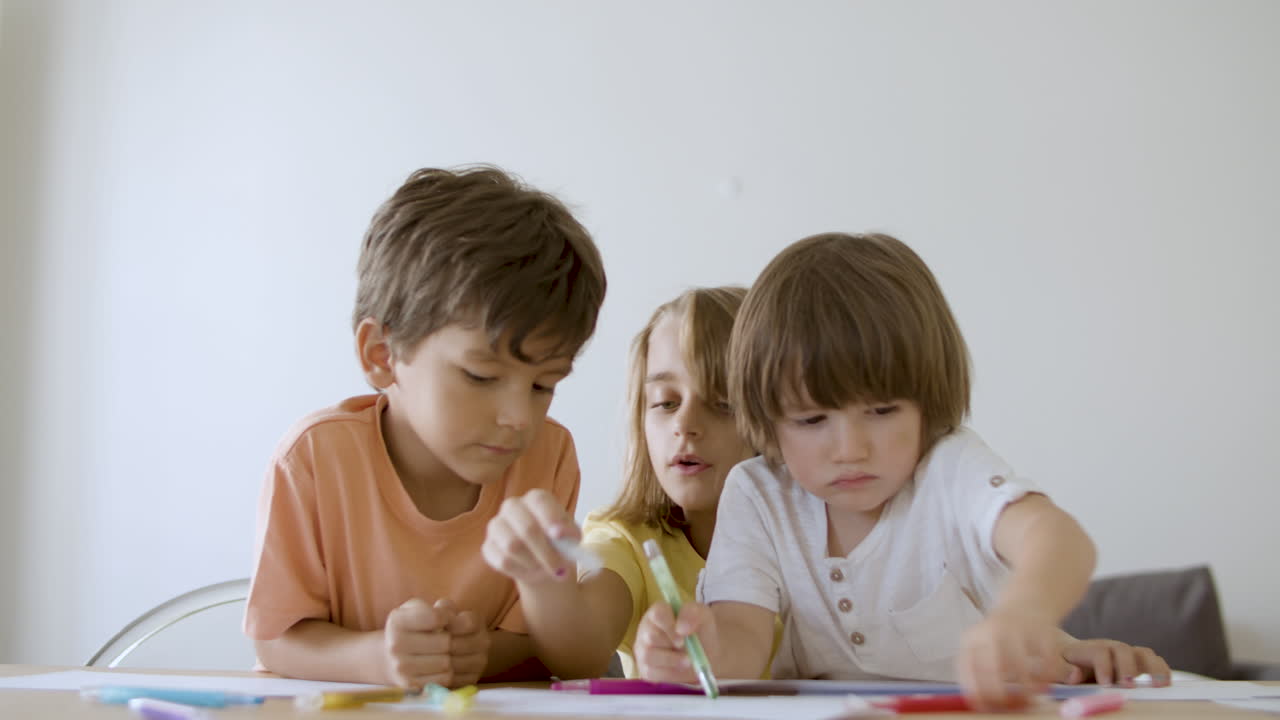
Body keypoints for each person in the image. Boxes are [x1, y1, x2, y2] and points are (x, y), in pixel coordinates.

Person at [633, 232, 1171, 710]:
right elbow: (743, 642)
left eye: (883, 411)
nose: (850, 449)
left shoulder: (947, 468)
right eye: (812, 418)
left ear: (926, 404)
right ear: (767, 420)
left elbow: (1059, 540)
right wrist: (698, 650)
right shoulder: (756, 494)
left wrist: (1025, 617)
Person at [243, 165, 607, 688]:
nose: (519, 418)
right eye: (481, 375)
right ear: (381, 355)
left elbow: (551, 653)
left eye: (543, 385)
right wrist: (378, 659)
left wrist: (476, 655)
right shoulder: (315, 460)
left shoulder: (548, 457)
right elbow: (274, 639)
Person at [481, 286, 757, 679]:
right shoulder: (626, 539)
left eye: (724, 403)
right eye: (665, 402)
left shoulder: (810, 538)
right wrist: (544, 581)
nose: (684, 425)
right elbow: (582, 652)